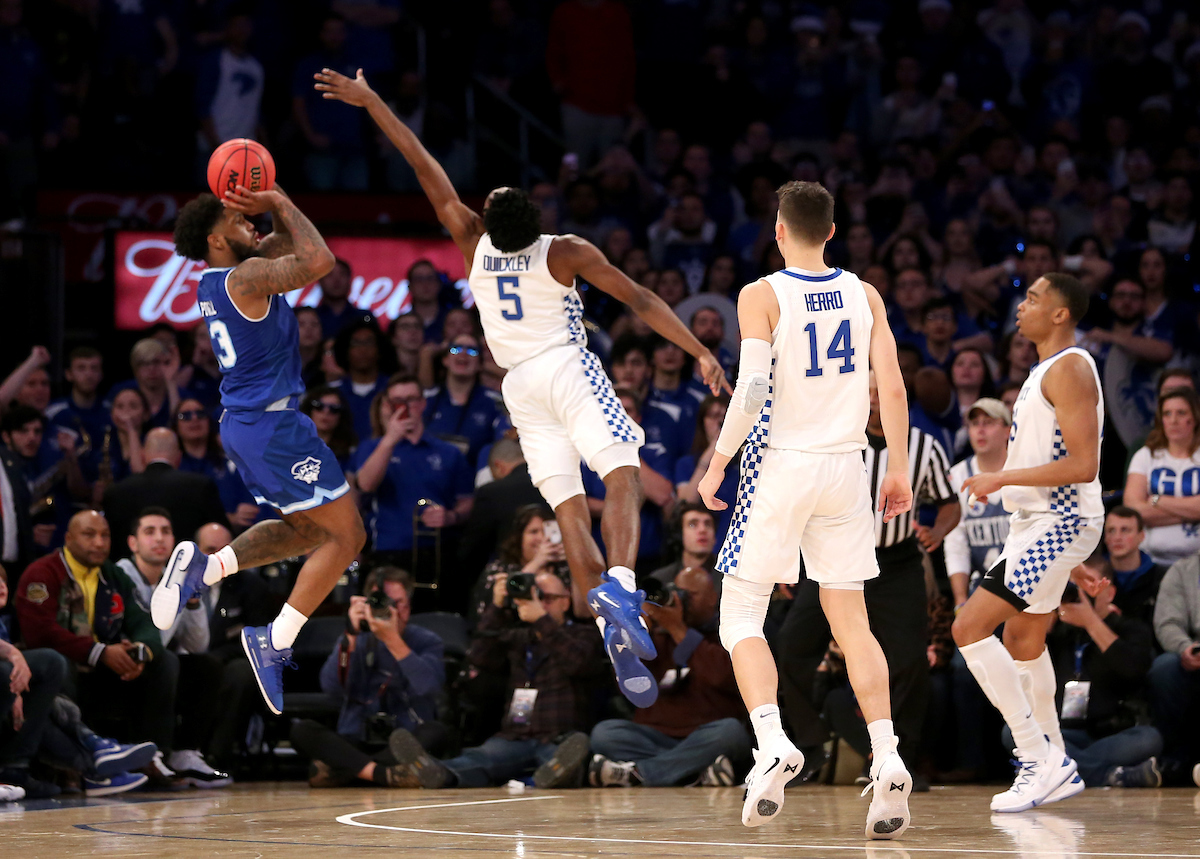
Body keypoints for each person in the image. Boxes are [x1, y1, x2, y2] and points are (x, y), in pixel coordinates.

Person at [316, 67, 728, 708]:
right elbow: (642, 299)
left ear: (486, 218)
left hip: (519, 389)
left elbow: (422, 163)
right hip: (566, 367)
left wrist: (372, 101)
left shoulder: (470, 241)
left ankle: (610, 633)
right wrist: (699, 349)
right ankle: (620, 587)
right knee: (622, 472)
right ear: (535, 220)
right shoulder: (563, 250)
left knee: (568, 511)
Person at [696, 181, 915, 838]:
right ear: (832, 231)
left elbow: (753, 386)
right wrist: (898, 466)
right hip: (847, 466)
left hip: (781, 462)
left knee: (740, 614)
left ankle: (772, 742)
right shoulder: (865, 293)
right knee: (853, 623)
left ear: (779, 231)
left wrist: (718, 460)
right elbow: (892, 385)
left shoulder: (761, 294)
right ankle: (887, 752)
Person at [155, 185, 365, 718]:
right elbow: (319, 261)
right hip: (273, 428)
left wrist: (268, 205)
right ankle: (274, 639)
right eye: (236, 218)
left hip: (249, 426)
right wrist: (279, 200)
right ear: (214, 238)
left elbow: (285, 242)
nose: (250, 222)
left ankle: (205, 570)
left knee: (308, 531)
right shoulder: (246, 276)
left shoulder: (218, 279)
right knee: (348, 536)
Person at [951, 272, 1104, 813]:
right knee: (1023, 641)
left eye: (1034, 298)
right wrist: (1070, 562)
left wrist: (1002, 478)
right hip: (1043, 526)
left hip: (1058, 521)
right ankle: (1056, 759)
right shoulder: (1046, 369)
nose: (1022, 306)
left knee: (968, 627)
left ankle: (1037, 757)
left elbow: (1084, 465)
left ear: (1060, 314)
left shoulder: (1070, 367)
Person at [385, 571, 600, 789]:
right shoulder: (519, 635)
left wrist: (542, 621)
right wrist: (497, 606)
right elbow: (479, 657)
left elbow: (578, 663)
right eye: (534, 595)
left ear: (565, 602)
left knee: (564, 759)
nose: (540, 603)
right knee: (480, 759)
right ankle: (437, 773)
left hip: (559, 737)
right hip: (515, 737)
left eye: (547, 598)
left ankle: (565, 774)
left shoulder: (584, 633)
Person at [14, 511, 180, 785]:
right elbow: (39, 634)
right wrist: (100, 652)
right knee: (57, 662)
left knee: (165, 661)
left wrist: (138, 652)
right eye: (89, 535)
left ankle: (153, 758)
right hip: (60, 674)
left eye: (105, 535)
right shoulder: (43, 572)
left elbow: (146, 622)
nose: (100, 543)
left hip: (101, 672)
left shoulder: (113, 575)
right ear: (68, 538)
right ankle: (79, 767)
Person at [589, 567, 751, 787]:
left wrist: (678, 630)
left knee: (731, 732)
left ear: (713, 598)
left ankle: (636, 774)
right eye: (677, 592)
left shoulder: (727, 632)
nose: (681, 600)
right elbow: (629, 686)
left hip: (707, 734)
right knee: (604, 734)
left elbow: (724, 678)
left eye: (691, 594)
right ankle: (695, 773)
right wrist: (640, 632)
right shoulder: (654, 636)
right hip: (655, 736)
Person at [291, 566, 450, 787]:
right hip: (356, 737)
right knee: (302, 730)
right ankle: (383, 774)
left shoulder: (426, 640)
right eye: (381, 602)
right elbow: (331, 688)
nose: (390, 609)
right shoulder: (355, 639)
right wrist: (350, 637)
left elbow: (429, 687)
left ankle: (346, 771)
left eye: (397, 603)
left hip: (405, 740)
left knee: (437, 732)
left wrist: (393, 641)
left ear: (408, 606)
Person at [119, 507, 230, 788]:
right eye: (150, 532)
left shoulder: (176, 576)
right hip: (126, 663)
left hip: (159, 665)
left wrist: (192, 601)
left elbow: (198, 644)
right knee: (166, 659)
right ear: (133, 543)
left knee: (207, 665)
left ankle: (186, 753)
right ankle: (154, 755)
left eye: (166, 532)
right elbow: (150, 639)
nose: (159, 538)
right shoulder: (122, 575)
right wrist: (175, 593)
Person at [351, 374, 473, 601]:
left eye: (411, 400)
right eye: (397, 401)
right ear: (387, 405)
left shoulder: (449, 452)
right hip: (389, 552)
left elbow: (467, 501)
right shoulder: (372, 448)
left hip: (439, 552)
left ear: (423, 403)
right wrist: (390, 439)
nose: (404, 407)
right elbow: (365, 485)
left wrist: (451, 516)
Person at [102, 427, 229, 557]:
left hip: (127, 568)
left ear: (142, 455)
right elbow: (224, 536)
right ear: (179, 457)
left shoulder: (115, 493)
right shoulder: (201, 487)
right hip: (187, 567)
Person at [1123, 387, 1200, 566]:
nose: (1173, 420)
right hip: (1151, 561)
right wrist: (1193, 512)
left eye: (1181, 413)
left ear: (1195, 417)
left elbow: (1145, 508)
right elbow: (1134, 511)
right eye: (1167, 414)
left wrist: (1158, 500)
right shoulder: (1145, 456)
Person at [457, 438, 545, 585]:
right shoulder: (550, 486)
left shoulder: (491, 492)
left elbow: (474, 547)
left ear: (498, 466)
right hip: (554, 573)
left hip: (505, 579)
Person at [467, 504, 570, 625]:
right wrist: (537, 562)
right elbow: (484, 616)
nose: (542, 538)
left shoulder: (564, 569)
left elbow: (581, 612)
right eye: (534, 532)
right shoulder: (499, 570)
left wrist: (573, 562)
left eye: (546, 531)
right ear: (519, 537)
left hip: (558, 631)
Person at [1149, 549, 1200, 787]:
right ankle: (1175, 761)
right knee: (1164, 669)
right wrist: (1185, 648)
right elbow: (1167, 622)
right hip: (1194, 653)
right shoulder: (1182, 570)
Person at [173, 397, 261, 532]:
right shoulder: (174, 467)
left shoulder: (231, 464)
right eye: (185, 416)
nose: (194, 419)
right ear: (175, 426)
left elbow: (249, 509)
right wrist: (228, 519)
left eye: (200, 414)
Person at [1101, 506, 1167, 627]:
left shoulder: (1162, 578)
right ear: (1105, 537)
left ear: (1141, 536)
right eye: (1111, 531)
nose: (1117, 537)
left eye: (1125, 530)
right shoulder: (1094, 576)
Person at [649, 502, 718, 589]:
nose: (702, 530)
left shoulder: (728, 578)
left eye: (708, 524)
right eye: (693, 524)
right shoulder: (660, 580)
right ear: (679, 534)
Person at [299, 386, 357, 471]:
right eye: (319, 406)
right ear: (309, 410)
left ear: (341, 415)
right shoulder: (292, 446)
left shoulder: (351, 451)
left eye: (334, 409)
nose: (326, 412)